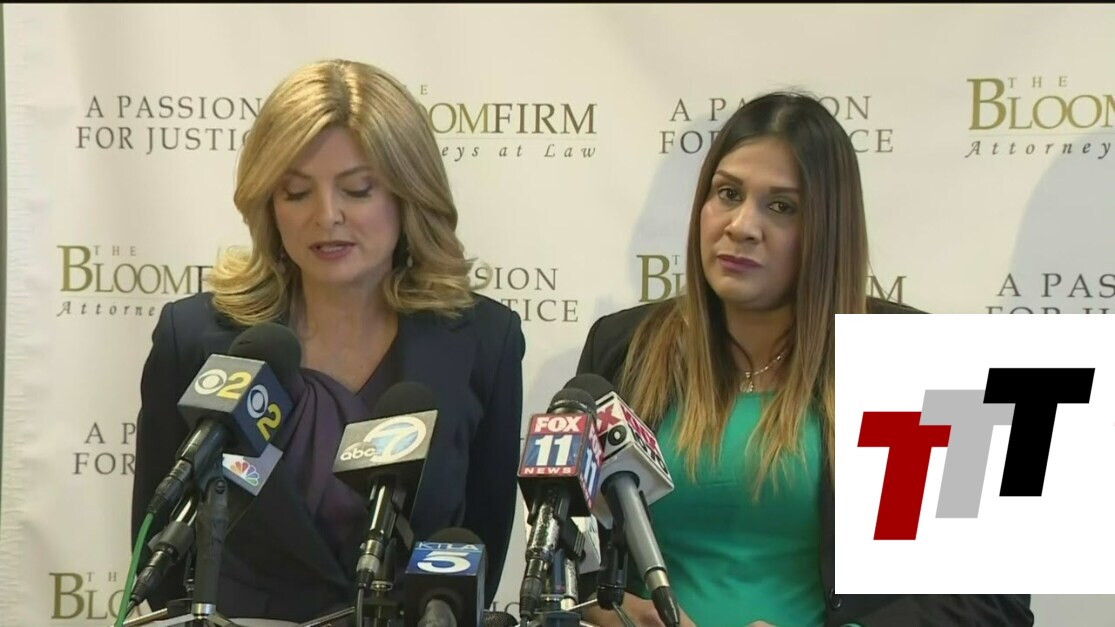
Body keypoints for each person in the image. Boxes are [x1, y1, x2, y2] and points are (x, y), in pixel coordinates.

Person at [574, 92, 1033, 626]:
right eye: (728, 193)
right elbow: (570, 553)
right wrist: (602, 607)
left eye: (782, 207)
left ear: (828, 229)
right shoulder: (623, 347)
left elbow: (992, 602)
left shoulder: (919, 357)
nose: (742, 225)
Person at [130, 59, 525, 623]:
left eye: (358, 190)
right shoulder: (194, 337)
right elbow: (158, 556)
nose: (326, 216)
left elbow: (478, 552)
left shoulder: (484, 340)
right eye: (296, 193)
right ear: (268, 204)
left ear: (409, 193)